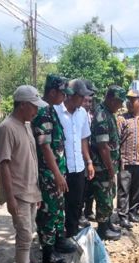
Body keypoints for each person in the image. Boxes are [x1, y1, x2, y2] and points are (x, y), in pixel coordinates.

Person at [0, 85, 49, 263]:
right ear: (23, 105)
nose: (36, 110)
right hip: (18, 192)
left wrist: (36, 192)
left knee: (30, 232)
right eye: (34, 106)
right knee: (24, 235)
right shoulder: (7, 128)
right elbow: (4, 165)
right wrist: (10, 198)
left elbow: (30, 160)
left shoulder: (25, 125)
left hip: (30, 190)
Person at [32, 75, 70, 263]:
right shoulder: (42, 112)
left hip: (56, 171)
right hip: (48, 174)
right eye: (63, 93)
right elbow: (45, 147)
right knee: (48, 211)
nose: (65, 97)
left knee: (58, 209)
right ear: (53, 92)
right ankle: (48, 252)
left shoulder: (50, 109)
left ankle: (58, 241)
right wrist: (57, 174)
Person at [56, 79, 94, 237]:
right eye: (81, 96)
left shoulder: (82, 113)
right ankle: (57, 237)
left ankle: (72, 234)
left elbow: (83, 139)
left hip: (78, 166)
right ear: (71, 95)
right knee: (58, 205)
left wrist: (89, 161)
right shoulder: (56, 111)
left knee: (76, 204)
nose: (84, 100)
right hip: (61, 168)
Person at [88, 86, 123, 242]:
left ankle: (108, 224)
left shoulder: (108, 113)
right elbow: (103, 147)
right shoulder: (101, 115)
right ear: (111, 99)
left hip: (108, 165)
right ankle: (103, 230)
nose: (120, 106)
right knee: (103, 197)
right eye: (119, 102)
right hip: (102, 166)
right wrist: (110, 167)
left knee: (109, 195)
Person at [117, 91, 139, 228]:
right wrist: (117, 160)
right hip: (125, 162)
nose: (129, 103)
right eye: (128, 100)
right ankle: (122, 216)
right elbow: (116, 141)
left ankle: (132, 212)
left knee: (137, 189)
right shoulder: (122, 119)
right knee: (124, 190)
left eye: (133, 101)